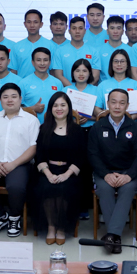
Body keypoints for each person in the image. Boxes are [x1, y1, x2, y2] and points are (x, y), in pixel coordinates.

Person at [0, 83, 39, 237]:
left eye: (13, 96)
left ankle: (14, 218)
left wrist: (14, 164)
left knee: (16, 187)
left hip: (20, 164)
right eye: (5, 97)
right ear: (0, 100)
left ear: (20, 99)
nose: (10, 100)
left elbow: (33, 147)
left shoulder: (31, 120)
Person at [88, 89, 137, 253]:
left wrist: (129, 175)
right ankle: (115, 236)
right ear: (107, 104)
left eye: (122, 103)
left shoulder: (135, 127)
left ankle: (111, 235)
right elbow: (92, 154)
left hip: (128, 172)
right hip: (104, 172)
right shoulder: (97, 127)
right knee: (105, 189)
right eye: (113, 102)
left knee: (127, 189)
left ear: (127, 106)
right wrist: (105, 174)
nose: (117, 106)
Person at [34, 92, 86, 245]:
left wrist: (67, 174)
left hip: (69, 172)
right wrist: (49, 174)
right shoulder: (44, 128)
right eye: (55, 105)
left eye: (63, 105)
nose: (59, 108)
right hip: (48, 170)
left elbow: (81, 156)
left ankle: (62, 228)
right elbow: (39, 155)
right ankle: (51, 227)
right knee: (46, 187)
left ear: (69, 108)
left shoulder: (77, 130)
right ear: (50, 109)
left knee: (65, 188)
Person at [19, 47, 65, 123]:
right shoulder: (23, 83)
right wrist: (33, 108)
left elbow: (64, 105)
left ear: (49, 63)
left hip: (54, 125)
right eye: (38, 60)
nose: (42, 63)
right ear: (33, 62)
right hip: (29, 125)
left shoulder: (57, 83)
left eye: (45, 60)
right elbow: (15, 109)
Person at [98, 49, 137, 120]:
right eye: (116, 61)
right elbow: (96, 109)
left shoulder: (135, 85)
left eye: (122, 61)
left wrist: (125, 122)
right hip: (107, 123)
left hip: (130, 124)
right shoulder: (102, 85)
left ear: (127, 64)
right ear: (111, 64)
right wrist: (108, 120)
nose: (119, 64)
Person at [54, 16, 100, 86]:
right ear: (69, 31)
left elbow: (95, 76)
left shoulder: (93, 52)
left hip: (88, 91)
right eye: (74, 28)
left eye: (80, 28)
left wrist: (84, 89)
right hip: (66, 91)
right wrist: (73, 90)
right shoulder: (60, 51)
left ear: (85, 31)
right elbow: (58, 75)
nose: (77, 31)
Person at [13, 10, 58, 78]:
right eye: (29, 22)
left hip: (44, 84)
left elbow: (53, 71)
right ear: (25, 24)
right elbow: (13, 72)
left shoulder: (51, 45)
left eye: (35, 22)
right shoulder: (17, 46)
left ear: (41, 24)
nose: (32, 25)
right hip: (22, 84)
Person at [99, 15, 137, 83]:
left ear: (123, 31)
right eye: (112, 28)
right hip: (104, 88)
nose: (115, 31)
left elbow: (134, 74)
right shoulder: (98, 51)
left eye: (118, 28)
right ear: (107, 31)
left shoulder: (131, 50)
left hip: (125, 87)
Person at [66, 59, 104, 127]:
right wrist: (73, 121)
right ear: (72, 73)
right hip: (70, 128)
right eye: (77, 71)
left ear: (90, 73)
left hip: (92, 128)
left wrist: (89, 117)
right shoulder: (66, 90)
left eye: (84, 71)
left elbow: (102, 115)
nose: (81, 74)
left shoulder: (97, 90)